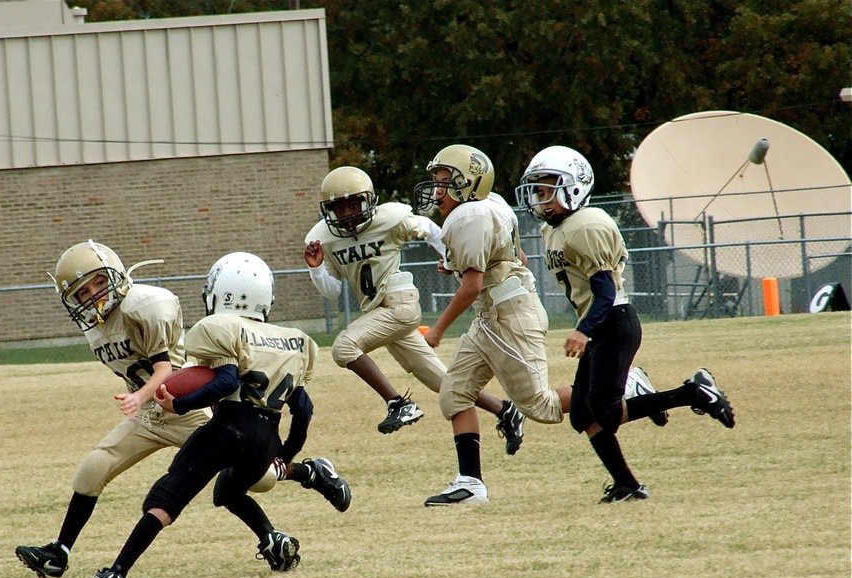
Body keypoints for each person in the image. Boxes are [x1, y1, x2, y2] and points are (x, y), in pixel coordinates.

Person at [14, 242, 350, 578]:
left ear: (115, 275)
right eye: (82, 291)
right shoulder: (96, 327)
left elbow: (163, 370)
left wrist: (141, 397)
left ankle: (308, 474)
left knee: (258, 479)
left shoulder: (144, 305)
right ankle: (59, 553)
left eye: (98, 283)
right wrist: (142, 400)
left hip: (185, 406)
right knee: (93, 468)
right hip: (150, 413)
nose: (92, 296)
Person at [514, 145, 735, 502]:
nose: (542, 199)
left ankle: (694, 392)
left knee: (607, 412)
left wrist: (583, 330)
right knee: (584, 415)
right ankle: (628, 485)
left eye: (548, 189)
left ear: (573, 187)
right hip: (600, 322)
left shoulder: (587, 225)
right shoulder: (553, 230)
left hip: (612, 322)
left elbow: (605, 291)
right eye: (538, 191)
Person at [304, 165, 525, 454]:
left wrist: (449, 257)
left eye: (353, 203)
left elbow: (430, 229)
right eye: (339, 207)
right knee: (444, 383)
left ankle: (398, 403)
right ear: (329, 210)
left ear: (368, 200)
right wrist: (317, 267)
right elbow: (331, 291)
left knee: (343, 347)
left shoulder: (390, 218)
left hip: (399, 304)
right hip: (377, 312)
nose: (347, 213)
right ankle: (505, 410)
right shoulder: (324, 238)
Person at [409, 144, 581, 507]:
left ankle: (625, 385)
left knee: (542, 407)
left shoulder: (469, 216)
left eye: (445, 182)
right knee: (454, 393)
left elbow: (471, 287)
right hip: (494, 315)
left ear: (468, 184)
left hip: (508, 317)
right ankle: (471, 484)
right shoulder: (492, 205)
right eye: (437, 182)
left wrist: (438, 330)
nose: (437, 190)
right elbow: (518, 257)